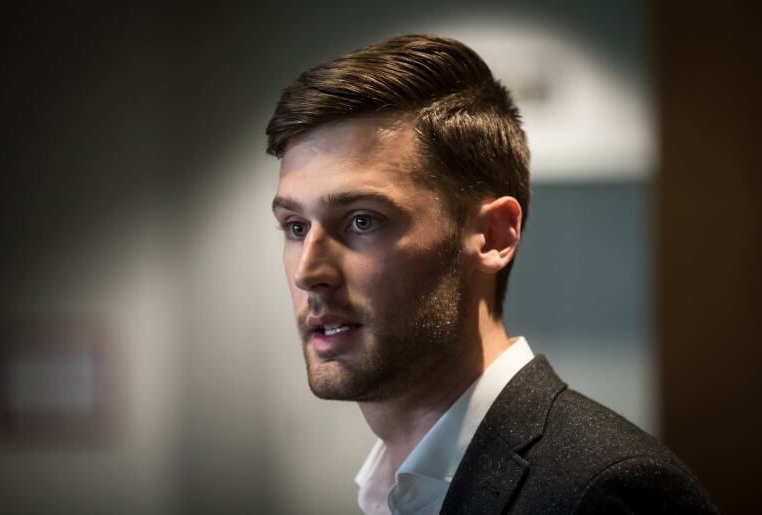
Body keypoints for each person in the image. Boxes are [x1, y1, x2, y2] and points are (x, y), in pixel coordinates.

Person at [266, 34, 717, 514]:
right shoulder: (388, 489)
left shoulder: (605, 491)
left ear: (494, 235)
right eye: (295, 226)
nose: (309, 272)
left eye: (362, 221)